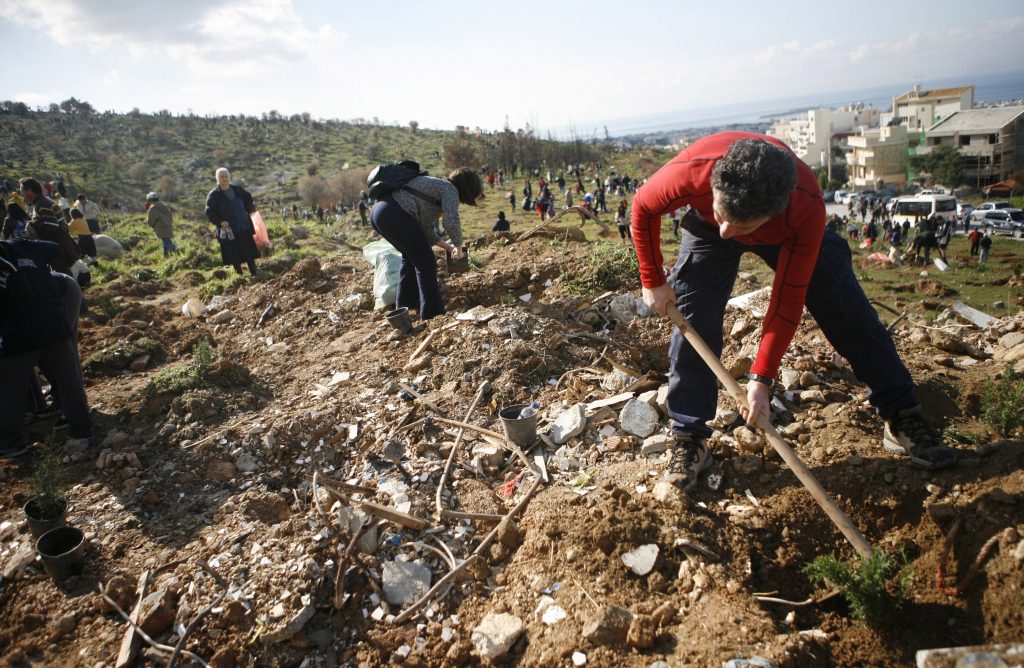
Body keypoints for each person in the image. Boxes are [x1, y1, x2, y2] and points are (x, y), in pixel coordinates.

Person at [630, 133, 956, 491]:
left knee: (844, 304)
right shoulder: (694, 171)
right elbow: (643, 208)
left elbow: (787, 302)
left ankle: (901, 413)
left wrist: (761, 379)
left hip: (786, 234)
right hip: (702, 227)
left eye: (740, 227)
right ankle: (689, 436)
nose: (728, 232)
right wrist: (652, 279)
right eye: (723, 215)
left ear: (772, 212)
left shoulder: (804, 207)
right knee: (693, 315)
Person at [0, 239, 92, 458]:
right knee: (68, 377)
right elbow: (54, 248)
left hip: (20, 329)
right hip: (52, 321)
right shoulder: (23, 246)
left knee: (10, 385)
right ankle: (82, 429)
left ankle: (9, 443)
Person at [369, 166, 482, 320]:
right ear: (469, 187)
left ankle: (405, 306)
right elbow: (451, 221)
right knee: (426, 262)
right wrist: (459, 246)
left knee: (410, 258)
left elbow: (426, 230)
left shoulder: (435, 187)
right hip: (394, 213)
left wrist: (449, 248)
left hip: (379, 213)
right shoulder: (449, 189)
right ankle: (433, 314)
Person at [205, 168, 259, 276]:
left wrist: (250, 209)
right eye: (222, 176)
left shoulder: (237, 189)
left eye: (226, 176)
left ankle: (254, 273)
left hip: (243, 226)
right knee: (234, 253)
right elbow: (209, 213)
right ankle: (239, 275)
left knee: (248, 251)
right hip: (228, 230)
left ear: (229, 177)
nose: (224, 179)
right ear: (217, 179)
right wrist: (220, 222)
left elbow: (248, 198)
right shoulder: (213, 195)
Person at [20, 178, 80, 275]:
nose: (21, 194)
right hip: (60, 248)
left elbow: (51, 228)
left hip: (59, 250)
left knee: (65, 279)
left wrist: (31, 225)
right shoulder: (41, 202)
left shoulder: (42, 203)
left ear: (30, 191)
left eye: (22, 190)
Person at [144, 192, 178, 257]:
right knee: (165, 244)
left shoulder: (153, 209)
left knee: (167, 243)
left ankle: (177, 251)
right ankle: (166, 257)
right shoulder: (165, 206)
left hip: (161, 229)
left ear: (150, 200)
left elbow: (150, 222)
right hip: (169, 227)